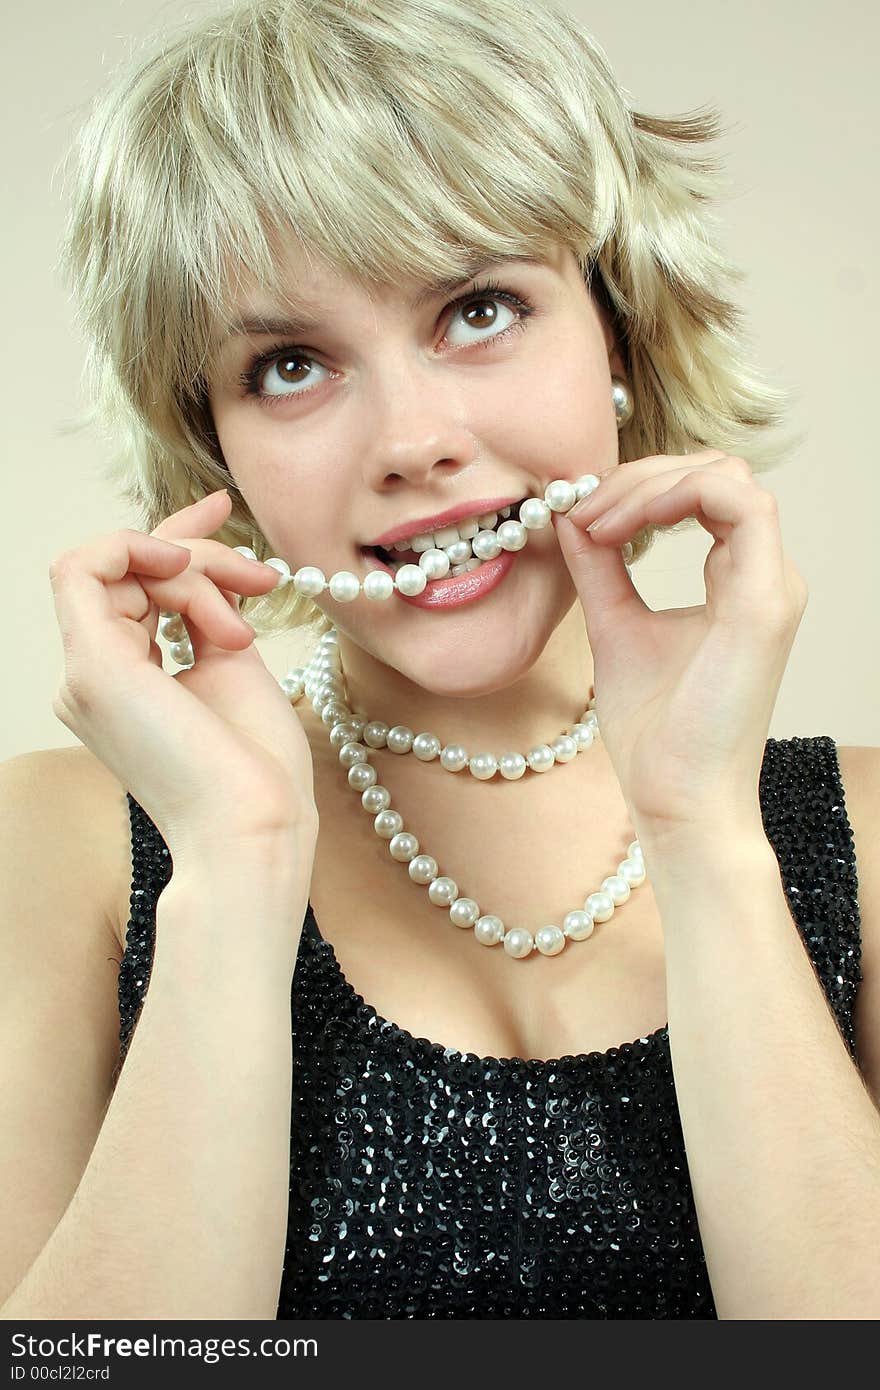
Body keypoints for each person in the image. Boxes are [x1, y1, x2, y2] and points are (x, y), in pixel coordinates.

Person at [2, 0, 878, 1324]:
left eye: (478, 308)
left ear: (620, 334)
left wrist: (703, 827)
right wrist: (237, 868)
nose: (412, 439)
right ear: (216, 450)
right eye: (289, 363)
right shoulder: (59, 848)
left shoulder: (864, 833)